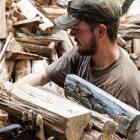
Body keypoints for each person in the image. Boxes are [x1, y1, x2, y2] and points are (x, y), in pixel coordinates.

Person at [3, 0, 140, 139]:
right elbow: (43, 76)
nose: (72, 34)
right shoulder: (83, 53)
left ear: (100, 31)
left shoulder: (126, 86)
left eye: (77, 28)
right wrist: (8, 95)